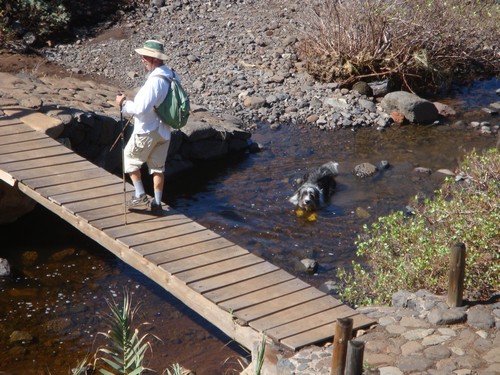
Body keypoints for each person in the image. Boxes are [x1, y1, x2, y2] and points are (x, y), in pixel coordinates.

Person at [115, 39, 178, 214]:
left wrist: (124, 103)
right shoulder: (172, 75)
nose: (142, 59)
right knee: (158, 168)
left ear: (155, 59)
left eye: (145, 56)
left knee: (129, 160)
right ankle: (157, 204)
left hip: (147, 130)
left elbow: (141, 108)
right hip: (164, 131)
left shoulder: (154, 81)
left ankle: (140, 195)